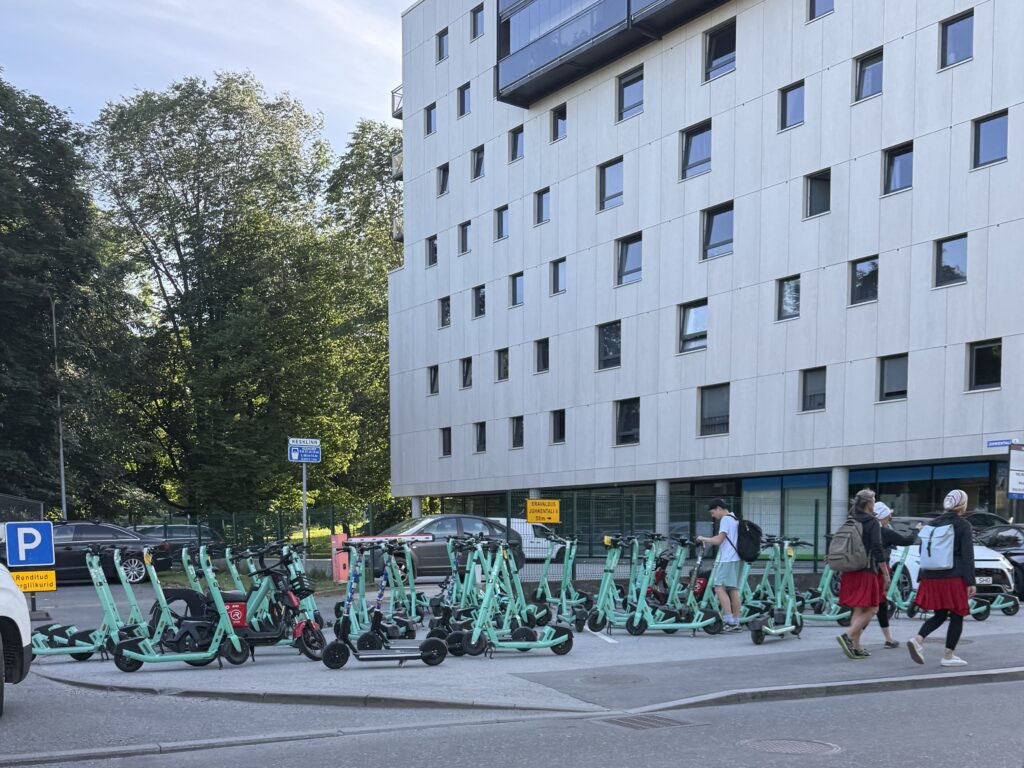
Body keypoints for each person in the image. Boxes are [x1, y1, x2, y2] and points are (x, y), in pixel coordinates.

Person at [907, 489, 976, 667]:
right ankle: (948, 655)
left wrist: (922, 577)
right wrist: (971, 581)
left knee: (939, 614)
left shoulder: (932, 524)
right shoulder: (963, 525)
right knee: (957, 615)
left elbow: (923, 552)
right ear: (963, 504)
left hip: (931, 576)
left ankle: (918, 640)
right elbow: (968, 555)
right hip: (953, 576)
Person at [837, 489, 886, 659]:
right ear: (869, 503)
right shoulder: (872, 522)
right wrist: (885, 573)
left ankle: (856, 647)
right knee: (873, 608)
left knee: (859, 608)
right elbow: (878, 549)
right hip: (866, 571)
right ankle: (848, 635)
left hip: (850, 570)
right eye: (874, 501)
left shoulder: (851, 520)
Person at [872, 502, 918, 648]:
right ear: (882, 518)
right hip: (878, 570)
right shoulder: (885, 532)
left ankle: (889, 639)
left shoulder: (868, 530)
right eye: (889, 517)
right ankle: (851, 636)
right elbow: (907, 540)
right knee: (872, 607)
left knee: (880, 604)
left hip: (867, 569)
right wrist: (916, 530)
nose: (890, 520)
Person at [696, 499, 743, 631]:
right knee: (733, 590)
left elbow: (718, 540)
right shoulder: (734, 519)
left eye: (713, 512)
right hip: (736, 559)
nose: (713, 516)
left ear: (718, 508)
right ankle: (736, 621)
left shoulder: (725, 520)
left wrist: (702, 538)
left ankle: (728, 620)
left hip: (727, 559)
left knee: (718, 588)